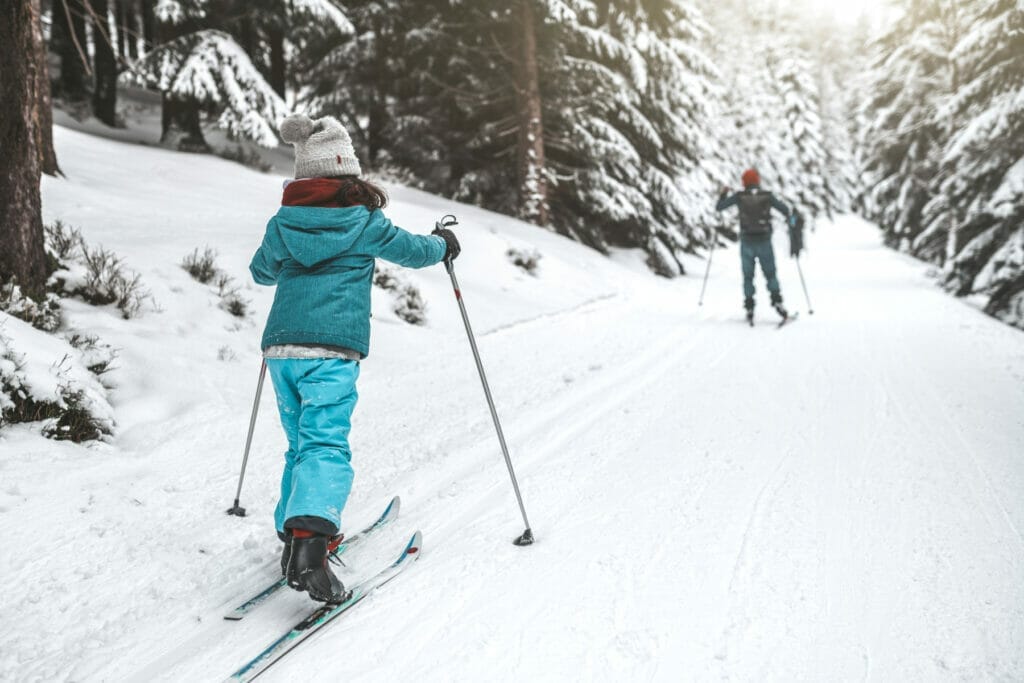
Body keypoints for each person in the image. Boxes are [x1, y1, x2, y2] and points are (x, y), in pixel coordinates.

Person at [249, 114, 460, 603]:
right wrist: (444, 244)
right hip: (331, 351)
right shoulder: (364, 222)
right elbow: (414, 251)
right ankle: (311, 549)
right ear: (348, 171)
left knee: (301, 443)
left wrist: (284, 254)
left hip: (281, 350)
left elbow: (261, 272)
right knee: (326, 444)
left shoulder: (283, 223)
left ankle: (295, 536)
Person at [715, 168, 800, 324]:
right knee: (770, 274)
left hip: (746, 242)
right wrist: (792, 219)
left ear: (744, 182)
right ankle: (777, 302)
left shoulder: (739, 197)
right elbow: (785, 210)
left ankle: (749, 306)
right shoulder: (767, 196)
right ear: (758, 181)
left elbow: (719, 208)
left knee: (748, 276)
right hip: (764, 242)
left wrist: (723, 194)